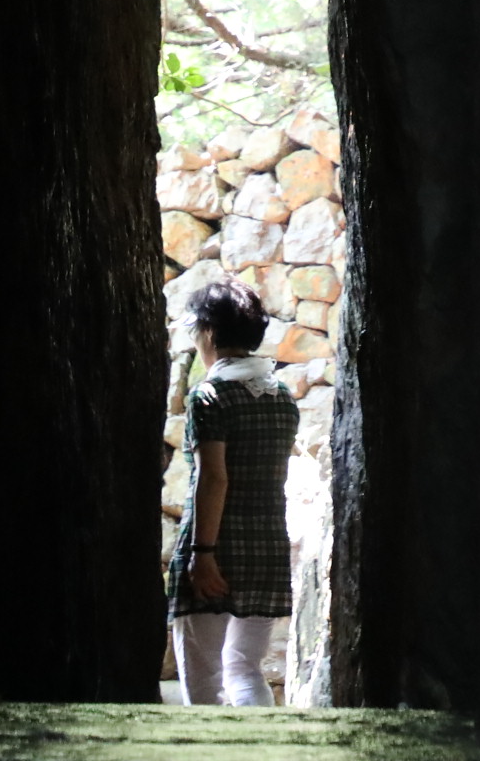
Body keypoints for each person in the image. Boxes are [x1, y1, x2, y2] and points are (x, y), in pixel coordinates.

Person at [168, 277, 298, 705]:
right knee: (245, 668)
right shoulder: (281, 396)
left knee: (203, 676)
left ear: (208, 332)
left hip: (217, 546)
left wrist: (202, 553)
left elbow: (214, 478)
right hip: (266, 549)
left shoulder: (210, 396)